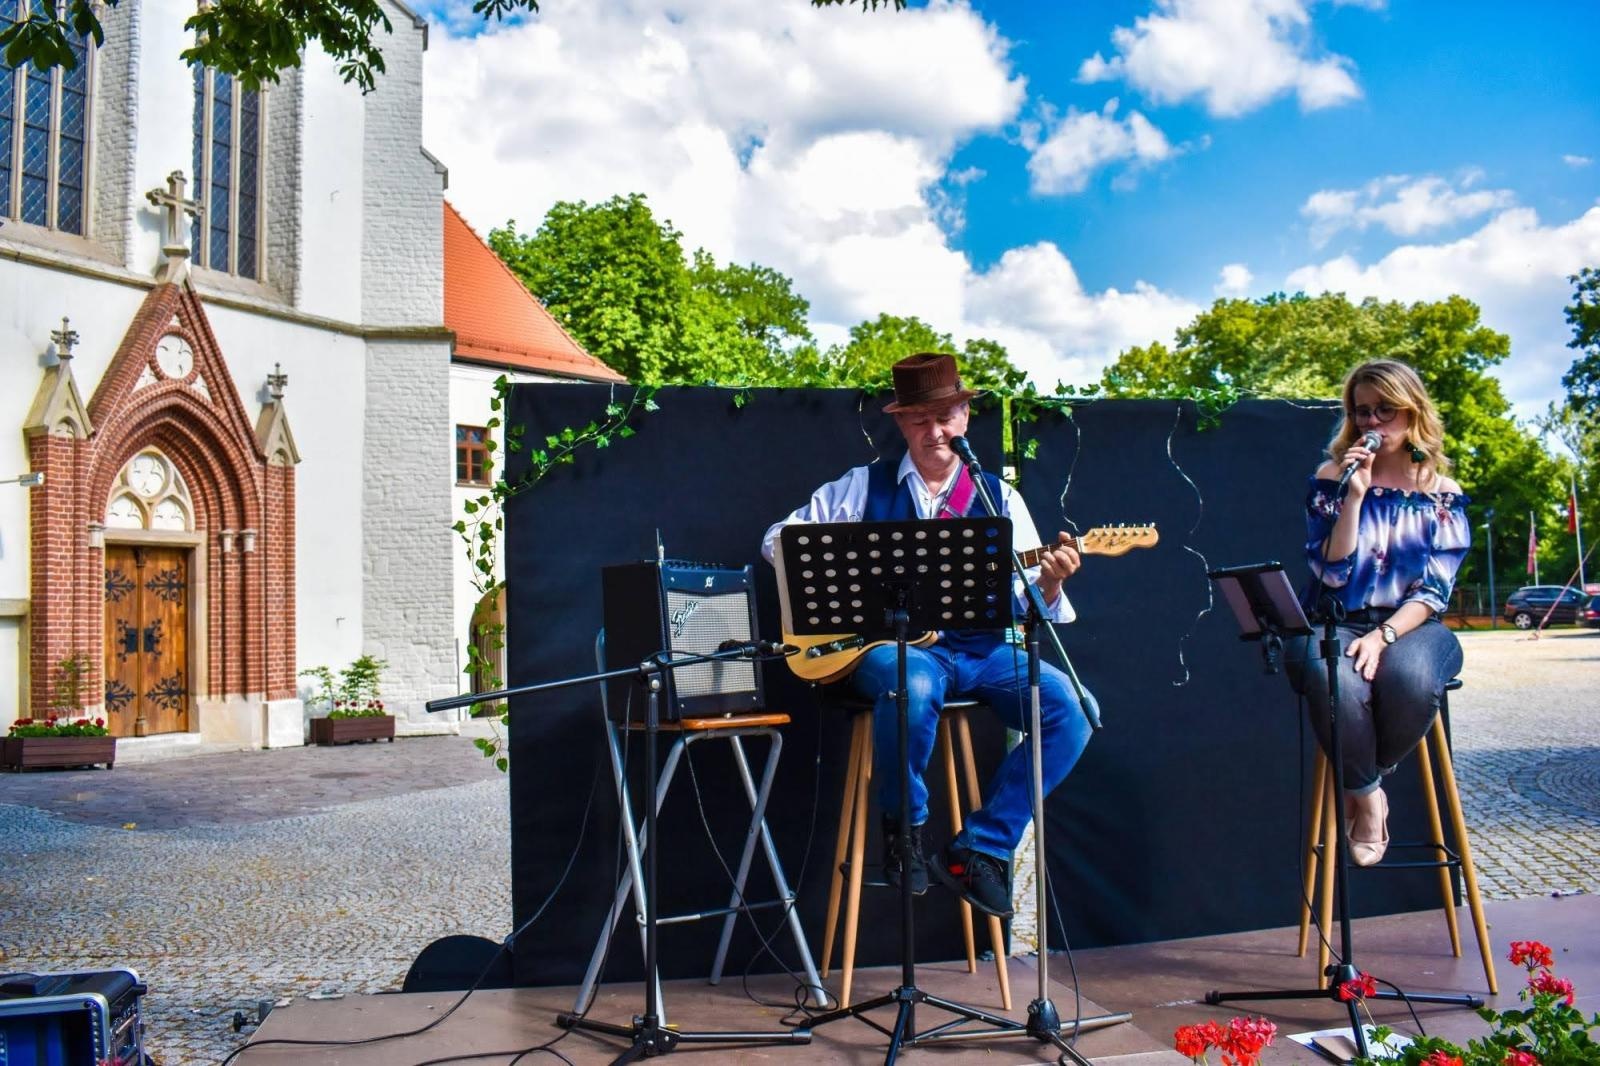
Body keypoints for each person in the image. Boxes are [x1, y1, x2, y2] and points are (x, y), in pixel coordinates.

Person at [761, 352, 1093, 918]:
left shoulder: (999, 498)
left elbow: (1025, 603)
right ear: (900, 422)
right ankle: (906, 831)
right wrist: (857, 566)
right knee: (911, 686)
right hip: (889, 651)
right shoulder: (861, 486)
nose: (934, 431)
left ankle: (981, 847)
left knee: (1073, 709)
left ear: (965, 415)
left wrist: (1052, 582)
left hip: (982, 653)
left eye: (944, 417)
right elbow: (779, 542)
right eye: (919, 419)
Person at [1289, 359, 1469, 867]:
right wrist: (1353, 498)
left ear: (1412, 412)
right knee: (1329, 674)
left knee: (1409, 679)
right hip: (1338, 619)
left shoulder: (1443, 494)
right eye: (1362, 411)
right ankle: (1368, 798)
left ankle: (1364, 777)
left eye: (1385, 410)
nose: (1372, 421)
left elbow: (1434, 591)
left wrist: (1383, 636)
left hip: (1414, 623)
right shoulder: (1333, 477)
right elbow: (1330, 573)